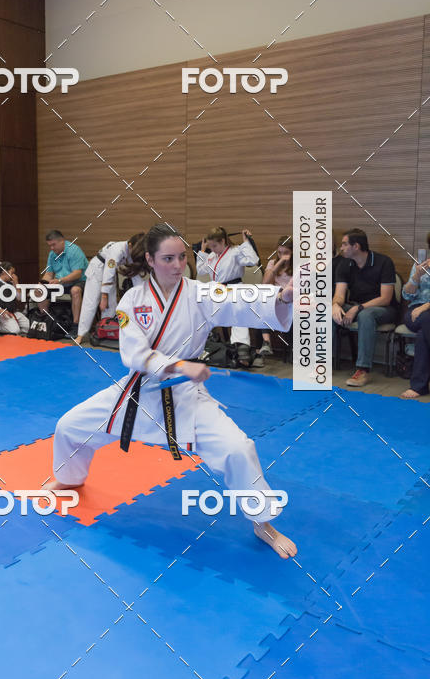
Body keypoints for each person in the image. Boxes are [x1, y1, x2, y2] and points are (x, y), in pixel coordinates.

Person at [46, 223, 297, 559]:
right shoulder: (132, 301)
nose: (178, 265)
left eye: (181, 257)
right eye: (168, 258)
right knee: (69, 426)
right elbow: (133, 354)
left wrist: (281, 296)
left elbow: (238, 299)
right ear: (150, 259)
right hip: (141, 390)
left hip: (187, 395)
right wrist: (180, 365)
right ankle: (69, 477)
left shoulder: (199, 292)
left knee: (239, 449)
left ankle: (263, 522)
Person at [332, 228, 398, 387]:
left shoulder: (384, 262)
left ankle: (362, 370)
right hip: (356, 306)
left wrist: (358, 308)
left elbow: (385, 298)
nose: (341, 248)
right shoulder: (344, 264)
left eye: (344, 244)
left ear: (356, 246)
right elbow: (340, 295)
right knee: (328, 313)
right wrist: (334, 305)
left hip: (384, 309)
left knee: (365, 315)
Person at [197, 227, 259, 366]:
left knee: (238, 313)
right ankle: (206, 345)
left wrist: (245, 242)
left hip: (234, 288)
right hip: (217, 290)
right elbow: (201, 271)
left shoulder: (235, 251)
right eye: (210, 246)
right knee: (200, 309)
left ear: (223, 241)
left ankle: (242, 349)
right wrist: (202, 251)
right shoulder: (212, 256)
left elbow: (252, 260)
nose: (212, 249)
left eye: (215, 245)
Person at [75, 233, 146, 345]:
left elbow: (135, 275)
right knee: (91, 303)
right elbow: (109, 271)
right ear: (130, 245)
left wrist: (144, 293)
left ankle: (105, 331)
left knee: (111, 304)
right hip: (97, 269)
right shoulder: (117, 250)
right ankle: (81, 334)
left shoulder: (132, 251)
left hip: (110, 274)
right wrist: (104, 297)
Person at [40, 230, 88, 335]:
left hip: (80, 281)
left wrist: (60, 280)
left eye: (54, 245)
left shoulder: (74, 250)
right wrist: (43, 283)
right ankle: (45, 322)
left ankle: (76, 325)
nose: (52, 248)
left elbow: (77, 274)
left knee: (75, 291)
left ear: (62, 241)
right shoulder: (52, 254)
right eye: (49, 245)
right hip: (61, 283)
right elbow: (49, 273)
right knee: (40, 290)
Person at [400, 238, 430, 399]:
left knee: (422, 335)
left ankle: (419, 386)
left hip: (423, 311)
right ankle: (419, 385)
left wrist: (426, 306)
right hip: (415, 312)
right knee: (425, 321)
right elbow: (406, 294)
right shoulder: (420, 264)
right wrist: (417, 275)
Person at [257, 236, 293, 357]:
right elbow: (265, 283)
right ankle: (266, 342)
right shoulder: (273, 263)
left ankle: (292, 348)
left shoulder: (298, 265)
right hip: (274, 298)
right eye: (279, 252)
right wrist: (279, 263)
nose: (283, 255)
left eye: (286, 253)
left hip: (290, 298)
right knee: (262, 303)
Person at [0, 262, 30, 335]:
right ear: (4, 272)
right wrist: (0, 310)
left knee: (29, 327)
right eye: (11, 272)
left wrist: (16, 283)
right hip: (1, 314)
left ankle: (14, 325)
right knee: (14, 331)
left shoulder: (10, 283)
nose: (13, 275)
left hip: (13, 312)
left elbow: (19, 298)